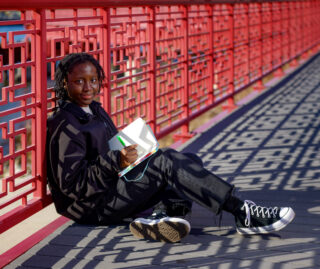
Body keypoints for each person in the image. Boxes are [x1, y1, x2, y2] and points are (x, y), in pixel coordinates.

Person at [46, 52, 295, 243]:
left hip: (112, 187)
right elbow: (72, 187)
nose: (88, 88)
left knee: (189, 160)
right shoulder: (64, 125)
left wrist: (131, 150)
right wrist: (115, 161)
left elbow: (110, 148)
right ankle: (242, 211)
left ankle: (159, 217)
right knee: (167, 161)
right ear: (64, 84)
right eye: (79, 81)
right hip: (92, 207)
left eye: (93, 80)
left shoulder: (94, 109)